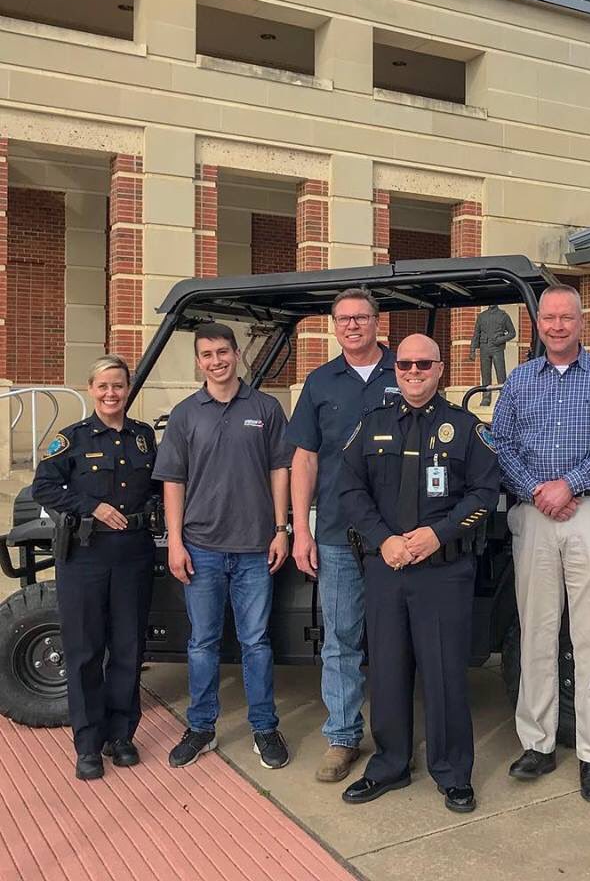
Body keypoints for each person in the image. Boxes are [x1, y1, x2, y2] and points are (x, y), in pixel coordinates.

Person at [338, 334, 499, 813]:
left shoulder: (466, 428)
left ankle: (452, 772)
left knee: (445, 672)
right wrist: (383, 539)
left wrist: (439, 534)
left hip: (442, 571)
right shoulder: (371, 426)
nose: (413, 372)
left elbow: (485, 493)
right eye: (404, 364)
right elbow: (348, 490)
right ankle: (389, 764)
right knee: (386, 669)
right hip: (386, 566)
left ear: (440, 368)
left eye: (423, 364)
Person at [493, 284, 590, 804]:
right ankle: (538, 741)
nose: (556, 326)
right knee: (537, 630)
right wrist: (537, 490)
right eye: (548, 318)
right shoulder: (519, 381)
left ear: (582, 322)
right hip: (533, 515)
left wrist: (569, 484)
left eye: (566, 318)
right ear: (538, 324)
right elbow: (501, 444)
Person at [152, 322, 293, 770]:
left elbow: (280, 471)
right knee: (202, 643)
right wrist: (176, 542)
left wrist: (281, 528)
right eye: (207, 354)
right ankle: (201, 728)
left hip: (255, 548)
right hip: (202, 548)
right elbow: (173, 482)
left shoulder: (267, 408)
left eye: (223, 352)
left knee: (256, 643)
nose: (216, 360)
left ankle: (265, 728)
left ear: (236, 354)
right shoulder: (185, 414)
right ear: (199, 362)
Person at [286, 287, 398, 783]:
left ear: (378, 322)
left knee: (398, 639)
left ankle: (396, 738)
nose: (352, 325)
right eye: (343, 319)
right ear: (334, 327)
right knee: (341, 638)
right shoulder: (319, 382)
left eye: (361, 317)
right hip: (334, 531)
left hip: (397, 532)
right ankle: (343, 737)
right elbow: (304, 458)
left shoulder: (406, 370)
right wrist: (297, 530)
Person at [32, 355, 158, 781]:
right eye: (103, 386)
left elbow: (158, 486)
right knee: (86, 651)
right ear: (91, 389)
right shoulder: (72, 440)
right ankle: (88, 744)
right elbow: (44, 486)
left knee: (128, 649)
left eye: (119, 386)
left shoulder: (143, 438)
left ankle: (120, 735)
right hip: (85, 556)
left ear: (128, 389)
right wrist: (93, 506)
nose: (111, 394)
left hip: (134, 555)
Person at [469, 304, 516, 406]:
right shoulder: (481, 316)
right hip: (484, 348)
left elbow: (512, 333)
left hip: (497, 348)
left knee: (501, 374)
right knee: (485, 374)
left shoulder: (503, 316)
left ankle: (504, 397)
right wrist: (472, 349)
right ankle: (486, 398)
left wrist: (501, 339)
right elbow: (476, 334)